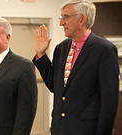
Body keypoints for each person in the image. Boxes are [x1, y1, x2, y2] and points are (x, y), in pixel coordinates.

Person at [33, 0, 119, 135]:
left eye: (65, 17)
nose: (61, 23)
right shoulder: (61, 48)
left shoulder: (104, 50)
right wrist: (41, 55)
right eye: (61, 18)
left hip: (87, 130)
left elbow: (109, 101)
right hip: (60, 129)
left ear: (82, 19)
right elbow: (55, 86)